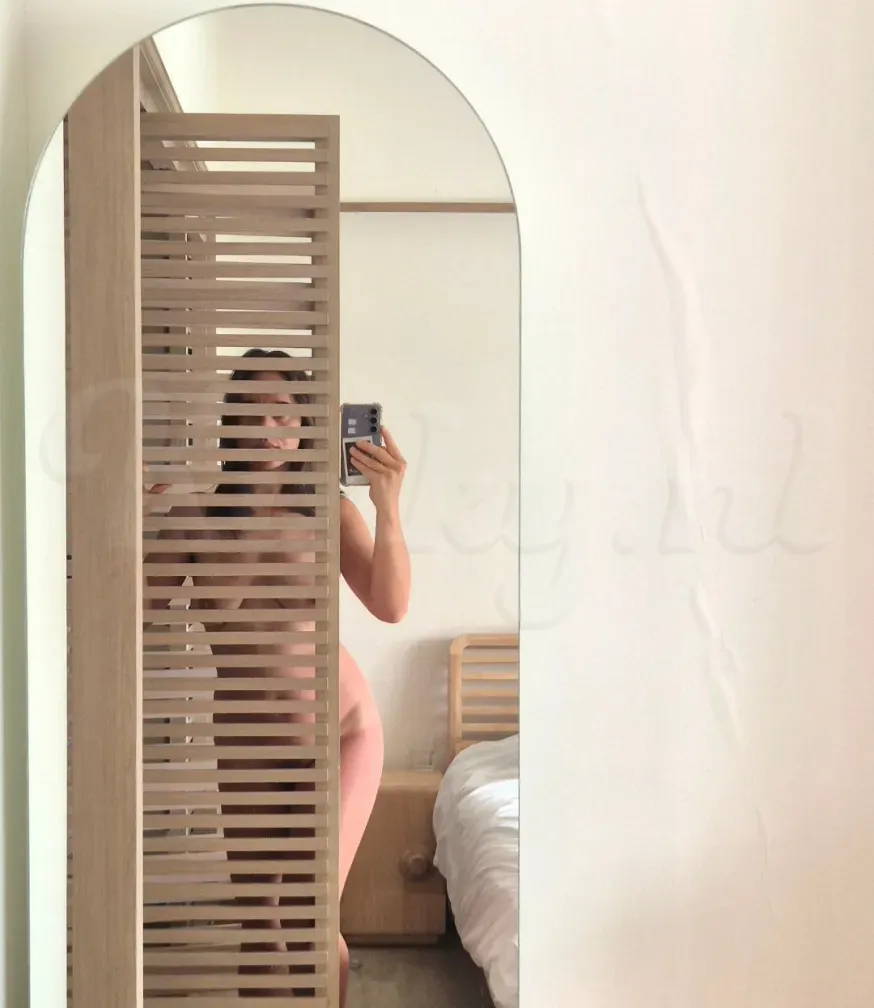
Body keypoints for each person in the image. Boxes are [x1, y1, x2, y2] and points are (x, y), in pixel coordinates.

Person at [144, 349, 410, 1002]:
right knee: (261, 924)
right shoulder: (193, 518)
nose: (269, 423)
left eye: (284, 409)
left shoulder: (328, 514)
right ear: (230, 421)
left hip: (342, 732)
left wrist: (388, 507)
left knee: (308, 914)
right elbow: (137, 616)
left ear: (306, 424)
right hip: (246, 745)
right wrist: (141, 527)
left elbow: (391, 605)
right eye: (252, 407)